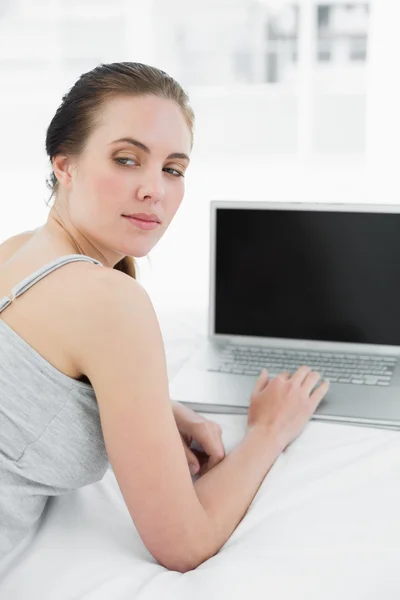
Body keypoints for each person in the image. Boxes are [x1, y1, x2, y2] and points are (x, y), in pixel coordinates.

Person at [0, 62, 329, 574]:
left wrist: (157, 408)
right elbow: (184, 542)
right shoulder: (110, 301)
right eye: (127, 159)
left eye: (173, 169)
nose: (155, 188)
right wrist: (268, 430)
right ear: (65, 165)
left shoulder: (18, 252)